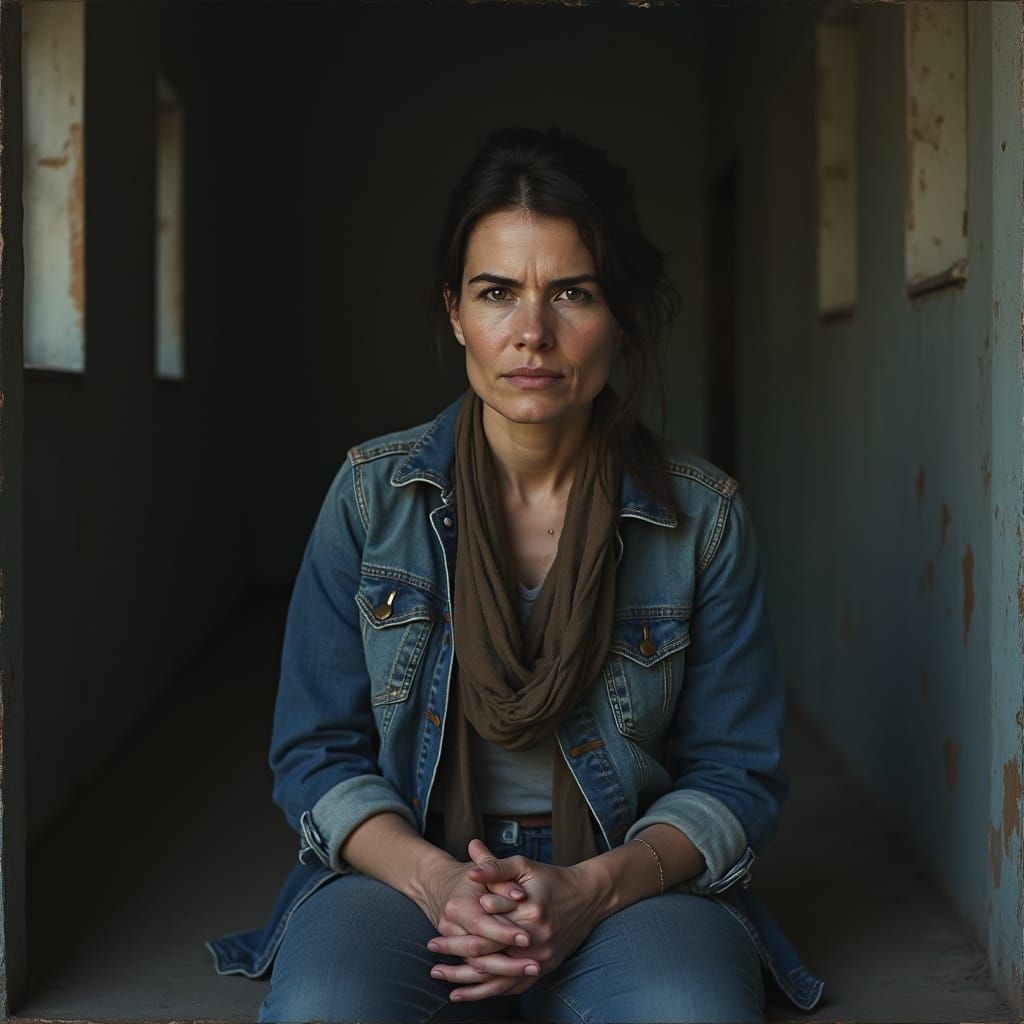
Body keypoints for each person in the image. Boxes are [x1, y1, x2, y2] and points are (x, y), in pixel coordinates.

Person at [206, 126, 824, 1022]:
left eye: (571, 293)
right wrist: (435, 879)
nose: (532, 334)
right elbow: (315, 753)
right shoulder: (370, 497)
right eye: (498, 293)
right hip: (405, 863)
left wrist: (591, 890)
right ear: (455, 311)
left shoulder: (703, 517)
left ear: (620, 315)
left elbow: (736, 775)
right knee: (325, 1009)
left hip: (625, 871)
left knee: (692, 1012)